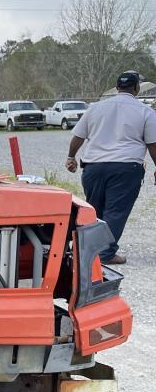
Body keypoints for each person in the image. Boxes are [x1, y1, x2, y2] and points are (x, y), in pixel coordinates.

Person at [65, 71, 156, 264]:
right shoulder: (145, 111)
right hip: (126, 168)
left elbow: (78, 136)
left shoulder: (95, 108)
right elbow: (152, 144)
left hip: (93, 167)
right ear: (137, 88)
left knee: (94, 210)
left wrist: (71, 157)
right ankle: (105, 254)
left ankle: (85, 253)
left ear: (117, 88)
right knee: (116, 211)